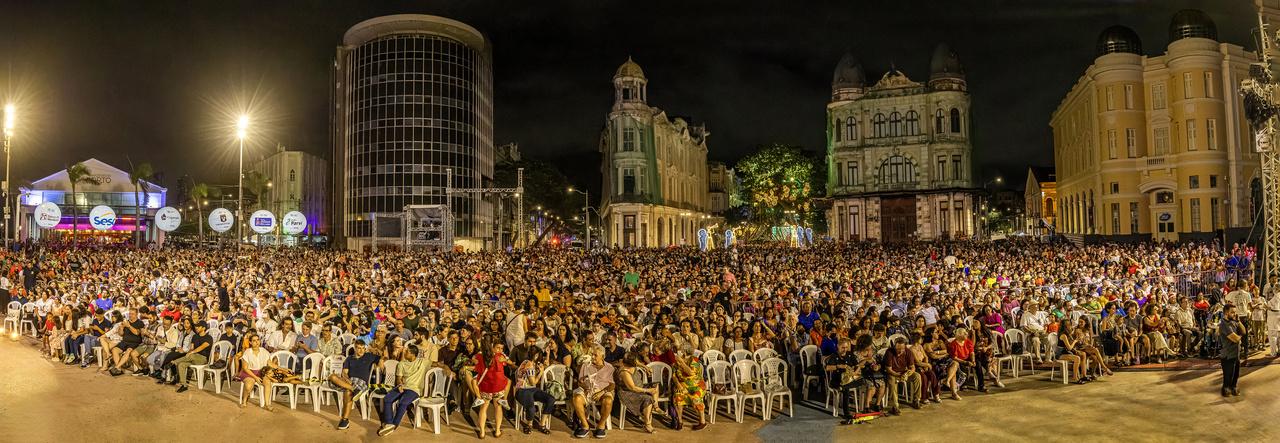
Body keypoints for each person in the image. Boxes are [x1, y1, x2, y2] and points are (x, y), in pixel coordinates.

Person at [328, 340, 381, 430]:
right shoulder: (349, 358)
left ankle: (345, 420)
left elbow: (381, 358)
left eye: (362, 348)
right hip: (349, 381)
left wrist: (381, 362)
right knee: (332, 376)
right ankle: (355, 389)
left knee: (348, 392)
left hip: (362, 382)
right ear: (355, 348)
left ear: (365, 349)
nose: (361, 350)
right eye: (358, 348)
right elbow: (344, 373)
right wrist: (346, 379)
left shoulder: (369, 356)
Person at [377, 344, 428, 436]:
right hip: (403, 386)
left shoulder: (422, 362)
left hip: (414, 389)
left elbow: (437, 363)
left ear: (413, 354)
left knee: (403, 402)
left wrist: (447, 368)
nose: (404, 353)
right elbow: (398, 378)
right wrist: (399, 384)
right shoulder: (402, 364)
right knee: (387, 399)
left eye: (407, 352)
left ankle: (394, 424)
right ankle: (389, 423)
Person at [571, 345, 615, 438]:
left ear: (602, 356)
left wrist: (602, 392)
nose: (593, 357)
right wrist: (586, 387)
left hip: (602, 390)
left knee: (608, 400)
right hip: (587, 390)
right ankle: (585, 426)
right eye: (592, 354)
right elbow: (580, 382)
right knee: (576, 398)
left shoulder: (609, 367)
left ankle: (601, 426)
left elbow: (612, 385)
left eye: (595, 355)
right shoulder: (586, 365)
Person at [616, 351, 662, 432]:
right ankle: (647, 424)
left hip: (639, 387)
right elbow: (632, 388)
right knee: (647, 398)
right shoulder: (624, 372)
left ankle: (656, 407)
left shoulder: (632, 364)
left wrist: (646, 367)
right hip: (628, 393)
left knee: (655, 384)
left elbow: (638, 363)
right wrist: (648, 390)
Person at [473, 338, 511, 439]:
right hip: (498, 387)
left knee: (483, 408)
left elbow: (475, 363)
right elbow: (507, 363)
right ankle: (497, 431)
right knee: (498, 407)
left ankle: (482, 433)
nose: (500, 350)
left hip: (485, 387)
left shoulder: (479, 356)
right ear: (492, 347)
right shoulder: (500, 357)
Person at [512, 352, 554, 434]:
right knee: (532, 407)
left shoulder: (536, 363)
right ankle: (529, 424)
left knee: (551, 399)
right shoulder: (529, 364)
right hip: (522, 390)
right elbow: (533, 382)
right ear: (536, 355)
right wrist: (541, 373)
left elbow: (547, 365)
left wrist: (548, 354)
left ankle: (542, 424)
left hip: (532, 389)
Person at [669, 345, 708, 431]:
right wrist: (678, 384)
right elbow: (674, 375)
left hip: (697, 386)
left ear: (685, 352)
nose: (679, 352)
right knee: (677, 396)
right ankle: (680, 421)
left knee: (696, 398)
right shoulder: (678, 361)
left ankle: (702, 422)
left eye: (681, 350)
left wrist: (682, 363)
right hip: (683, 385)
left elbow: (690, 372)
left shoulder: (694, 360)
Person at [883, 337, 921, 414]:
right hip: (893, 373)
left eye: (902, 349)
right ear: (894, 347)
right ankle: (895, 406)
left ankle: (916, 400)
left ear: (905, 347)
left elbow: (912, 367)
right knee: (891, 380)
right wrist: (897, 375)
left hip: (904, 372)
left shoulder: (908, 352)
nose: (900, 351)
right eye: (898, 349)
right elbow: (888, 369)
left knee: (917, 376)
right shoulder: (889, 352)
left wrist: (908, 374)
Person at [237, 332, 274, 410]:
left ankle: (267, 404)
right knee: (249, 386)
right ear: (250, 342)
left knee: (267, 382)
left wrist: (283, 369)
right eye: (254, 341)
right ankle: (244, 401)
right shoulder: (247, 352)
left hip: (261, 372)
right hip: (249, 372)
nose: (257, 342)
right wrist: (255, 377)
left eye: (258, 340)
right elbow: (245, 368)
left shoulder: (264, 351)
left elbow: (270, 364)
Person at [172, 321, 212, 393]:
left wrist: (192, 352)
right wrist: (190, 351)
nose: (196, 328)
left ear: (203, 328)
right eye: (196, 326)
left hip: (203, 359)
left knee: (192, 355)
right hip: (192, 358)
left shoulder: (208, 337)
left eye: (198, 326)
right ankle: (184, 385)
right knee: (181, 365)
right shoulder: (195, 336)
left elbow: (202, 347)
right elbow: (192, 347)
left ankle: (173, 362)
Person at [1219, 304, 1243, 397]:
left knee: (1235, 375)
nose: (1234, 314)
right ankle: (1226, 388)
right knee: (1228, 377)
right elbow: (1235, 338)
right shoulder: (1224, 324)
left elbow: (1244, 331)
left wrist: (1238, 321)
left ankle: (1233, 387)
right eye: (1232, 312)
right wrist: (1240, 337)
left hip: (1236, 354)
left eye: (1235, 312)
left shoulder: (1234, 321)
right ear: (1226, 313)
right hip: (1227, 356)